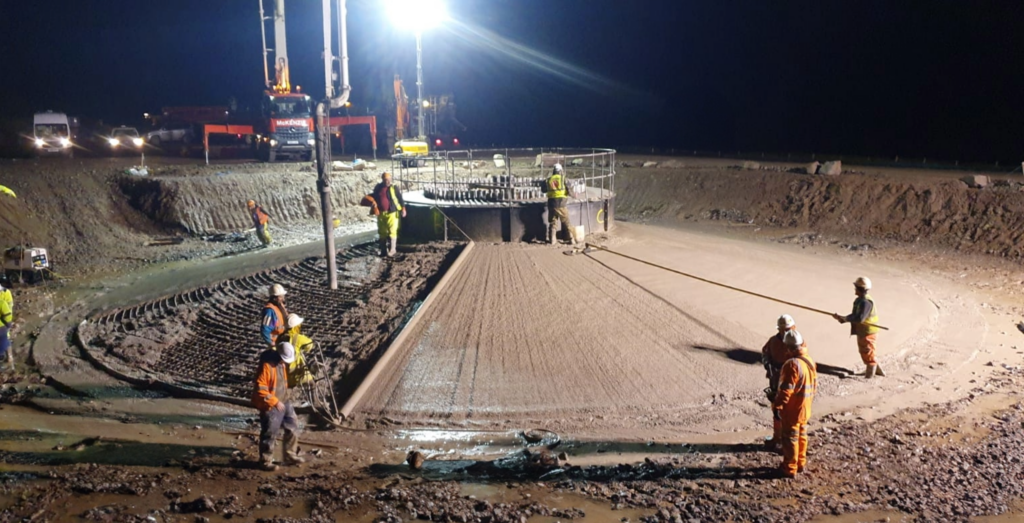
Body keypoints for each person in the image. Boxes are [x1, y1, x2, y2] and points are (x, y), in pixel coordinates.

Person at [252, 341, 304, 471]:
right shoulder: (267, 366)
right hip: (270, 404)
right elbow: (260, 389)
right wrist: (274, 401)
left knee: (292, 425)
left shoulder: (280, 363)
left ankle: (290, 455)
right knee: (270, 432)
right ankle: (265, 461)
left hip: (283, 400)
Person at [772, 330, 817, 478]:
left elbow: (786, 391)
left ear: (788, 347)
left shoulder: (792, 365)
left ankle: (789, 468)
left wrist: (777, 405)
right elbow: (814, 385)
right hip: (805, 406)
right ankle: (800, 463)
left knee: (790, 438)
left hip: (793, 409)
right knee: (802, 435)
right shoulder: (809, 360)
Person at [761, 314, 803, 450]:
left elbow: (801, 361)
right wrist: (768, 365)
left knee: (789, 410)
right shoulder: (773, 341)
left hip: (791, 380)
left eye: (787, 329)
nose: (785, 332)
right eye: (782, 329)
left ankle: (788, 441)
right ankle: (777, 438)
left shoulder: (797, 342)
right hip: (776, 379)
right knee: (776, 411)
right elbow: (765, 353)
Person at [832, 276, 886, 378]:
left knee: (866, 350)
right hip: (863, 330)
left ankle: (870, 374)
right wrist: (842, 318)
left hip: (868, 331)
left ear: (859, 288)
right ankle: (876, 370)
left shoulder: (866, 302)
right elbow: (855, 316)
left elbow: (860, 318)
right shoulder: (860, 300)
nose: (854, 289)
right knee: (866, 350)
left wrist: (845, 318)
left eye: (855, 287)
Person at [372, 172, 406, 257]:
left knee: (392, 231)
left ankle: (392, 250)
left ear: (390, 179)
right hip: (381, 213)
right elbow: (373, 197)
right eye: (385, 180)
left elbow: (400, 198)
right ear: (382, 180)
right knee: (382, 232)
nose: (387, 181)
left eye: (388, 180)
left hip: (392, 212)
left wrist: (403, 209)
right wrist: (373, 205)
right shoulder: (378, 188)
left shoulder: (394, 188)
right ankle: (383, 250)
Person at [278, 313, 314, 389]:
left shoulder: (279, 339)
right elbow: (310, 345)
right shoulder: (298, 338)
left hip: (285, 377)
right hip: (298, 374)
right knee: (311, 384)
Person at [545, 163, 577, 246]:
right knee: (566, 222)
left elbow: (543, 189)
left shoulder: (549, 179)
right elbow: (569, 190)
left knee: (553, 222)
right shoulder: (563, 179)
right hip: (561, 203)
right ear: (561, 170)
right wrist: (574, 196)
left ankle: (552, 240)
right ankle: (571, 239)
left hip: (551, 203)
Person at [0, 283, 12, 372]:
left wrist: (8, 323)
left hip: (4, 321)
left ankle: (10, 359)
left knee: (6, 339)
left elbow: (10, 306)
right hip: (4, 322)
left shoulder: (6, 292)